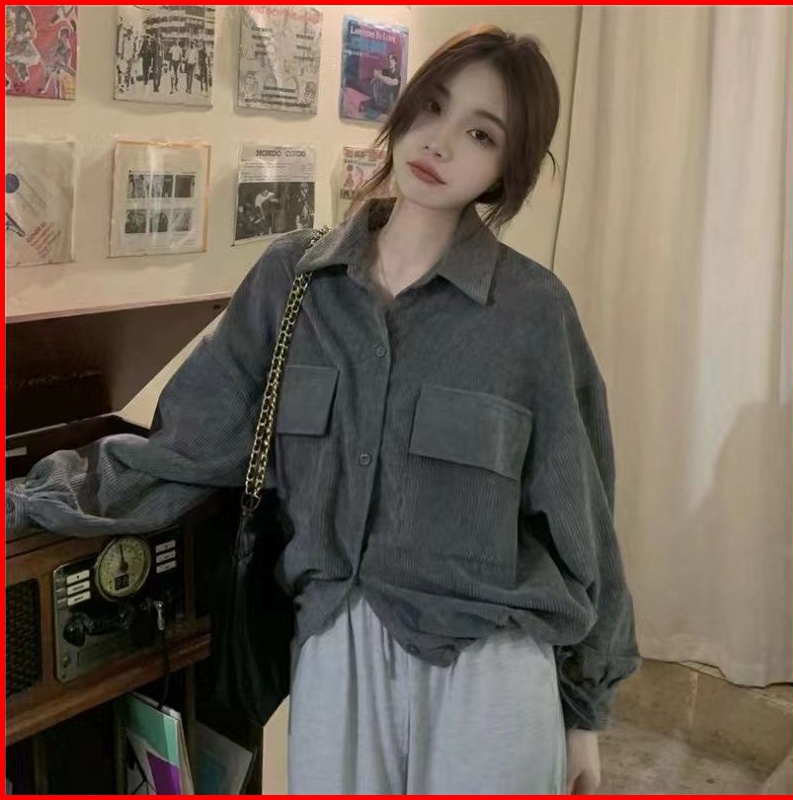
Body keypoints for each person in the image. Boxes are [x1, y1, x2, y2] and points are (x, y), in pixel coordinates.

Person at [5, 25, 639, 795]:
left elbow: (582, 523)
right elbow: (186, 447)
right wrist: (26, 500)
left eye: (480, 133)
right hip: (336, 651)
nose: (439, 141)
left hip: (489, 666)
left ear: (509, 168)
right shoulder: (293, 280)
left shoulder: (533, 313)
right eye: (432, 106)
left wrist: (584, 712)